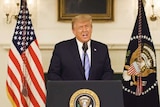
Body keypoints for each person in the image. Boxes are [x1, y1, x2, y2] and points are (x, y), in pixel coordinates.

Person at [47, 14, 114, 80]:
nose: (84, 30)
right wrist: (65, 88)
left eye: (87, 26)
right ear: (73, 31)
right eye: (80, 27)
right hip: (70, 90)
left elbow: (107, 72)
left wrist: (101, 88)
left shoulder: (102, 49)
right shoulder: (61, 49)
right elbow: (53, 74)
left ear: (91, 28)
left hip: (96, 90)